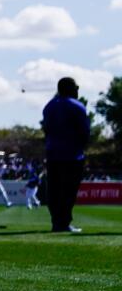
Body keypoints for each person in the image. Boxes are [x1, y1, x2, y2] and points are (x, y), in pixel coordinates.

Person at [42, 77, 90, 233]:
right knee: (68, 191)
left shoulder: (49, 106)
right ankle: (64, 223)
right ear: (69, 88)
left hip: (53, 154)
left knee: (54, 190)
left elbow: (47, 130)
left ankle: (56, 222)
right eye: (76, 87)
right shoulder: (77, 106)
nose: (77, 90)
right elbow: (84, 132)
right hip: (72, 155)